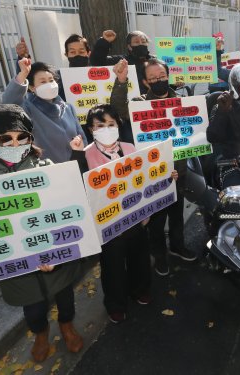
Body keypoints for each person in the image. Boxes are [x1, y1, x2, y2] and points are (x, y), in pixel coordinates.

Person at [0, 104, 84, 362]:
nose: (13, 143)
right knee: (33, 308)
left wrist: (55, 251)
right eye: (5, 138)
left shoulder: (46, 167)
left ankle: (67, 326)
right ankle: (40, 334)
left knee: (65, 296)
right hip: (18, 265)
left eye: (22, 137)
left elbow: (64, 210)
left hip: (54, 256)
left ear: (30, 139)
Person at [69, 104, 158, 323]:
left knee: (139, 257)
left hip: (135, 218)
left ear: (118, 125)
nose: (106, 129)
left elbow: (145, 176)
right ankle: (115, 303)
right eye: (100, 125)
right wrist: (76, 154)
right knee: (113, 266)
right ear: (91, 129)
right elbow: (77, 185)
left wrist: (166, 175)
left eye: (111, 124)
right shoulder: (85, 154)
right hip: (107, 226)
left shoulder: (130, 148)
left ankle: (140, 289)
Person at [110, 58, 196, 276]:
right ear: (145, 82)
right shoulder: (139, 103)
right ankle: (159, 256)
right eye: (153, 79)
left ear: (168, 76)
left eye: (162, 77)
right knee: (156, 220)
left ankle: (177, 246)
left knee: (177, 214)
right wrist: (120, 82)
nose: (159, 81)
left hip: (179, 171)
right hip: (153, 173)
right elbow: (118, 110)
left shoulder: (182, 100)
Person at [2, 58, 87, 163]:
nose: (49, 84)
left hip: (76, 166)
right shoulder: (28, 109)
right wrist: (23, 74)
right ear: (32, 88)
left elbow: (82, 137)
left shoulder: (68, 108)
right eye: (43, 82)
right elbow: (8, 104)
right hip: (48, 170)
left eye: (51, 80)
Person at [90, 30, 156, 94]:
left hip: (152, 100)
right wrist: (104, 41)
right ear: (129, 46)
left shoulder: (155, 61)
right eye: (136, 42)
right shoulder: (122, 61)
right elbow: (97, 61)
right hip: (128, 102)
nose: (141, 44)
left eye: (143, 42)